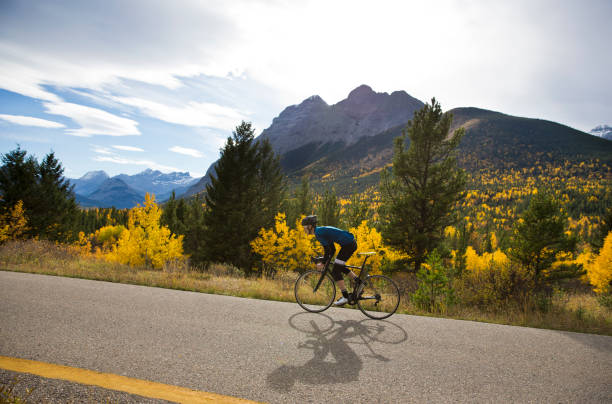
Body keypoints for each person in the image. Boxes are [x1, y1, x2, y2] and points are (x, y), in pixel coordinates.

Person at [301, 215, 360, 306]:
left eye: (305, 227)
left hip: (348, 245)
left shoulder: (318, 233)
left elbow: (328, 251)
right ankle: (359, 282)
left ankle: (345, 296)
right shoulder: (320, 231)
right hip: (349, 243)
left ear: (310, 226)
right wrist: (324, 260)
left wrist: (323, 262)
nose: (304, 230)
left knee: (336, 271)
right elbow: (332, 250)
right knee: (339, 266)